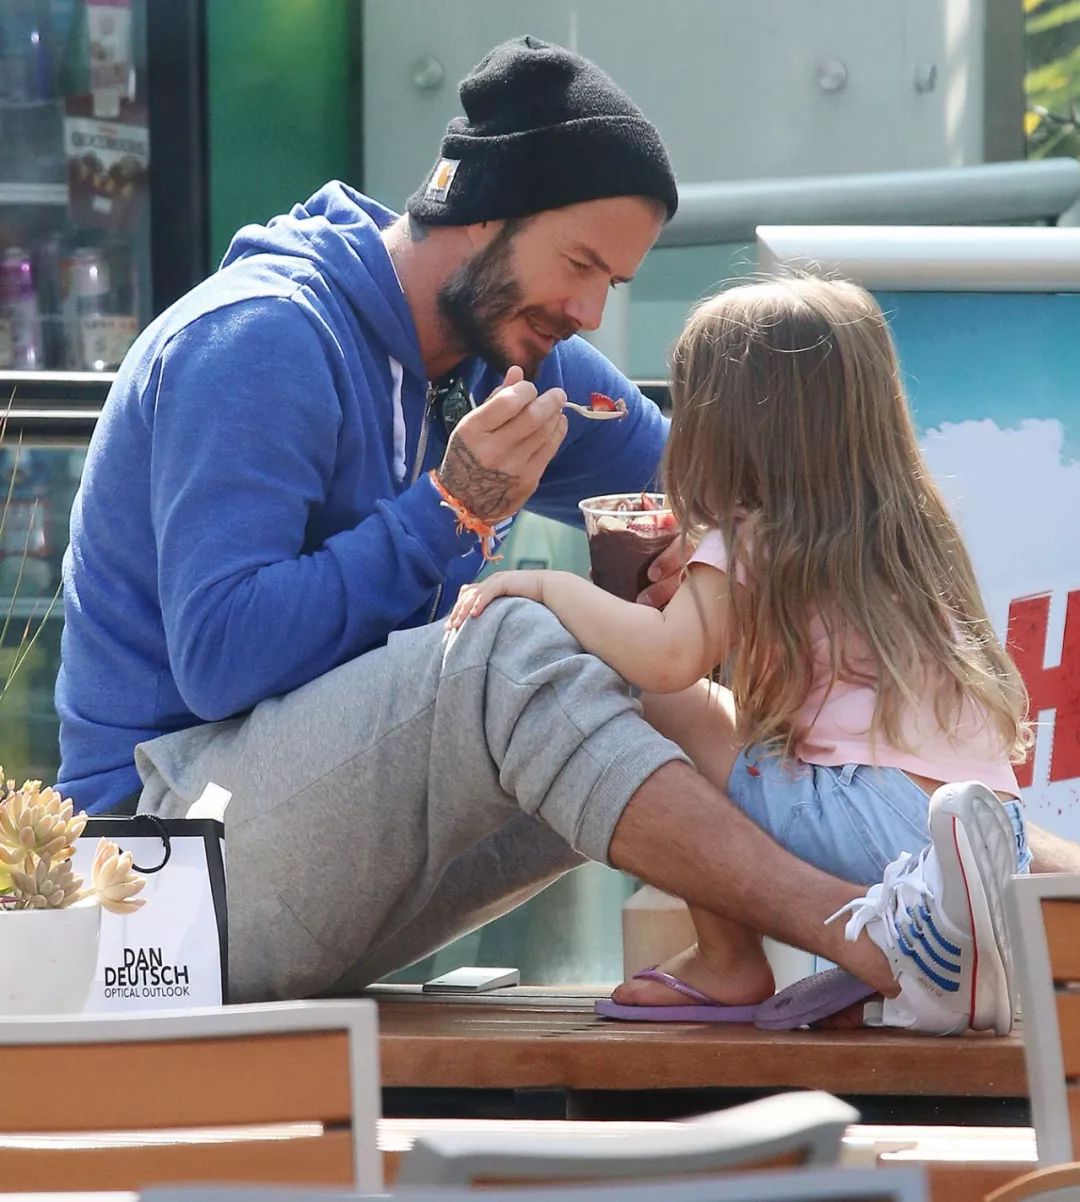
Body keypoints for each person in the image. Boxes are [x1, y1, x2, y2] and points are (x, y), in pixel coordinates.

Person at [56, 34, 1019, 1032]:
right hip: (157, 885)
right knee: (513, 647)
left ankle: (976, 908)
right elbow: (219, 660)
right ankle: (877, 939)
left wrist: (703, 573)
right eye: (580, 264)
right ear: (479, 212)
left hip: (313, 869)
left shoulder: (510, 352)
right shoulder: (261, 338)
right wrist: (451, 510)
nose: (592, 310)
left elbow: (724, 480)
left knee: (649, 674)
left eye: (617, 282)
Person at [448, 275, 1032, 1033]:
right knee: (727, 726)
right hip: (989, 836)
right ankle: (935, 938)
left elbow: (665, 661)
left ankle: (729, 962)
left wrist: (546, 587)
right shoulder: (907, 525)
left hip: (874, 823)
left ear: (727, 429)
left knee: (647, 700)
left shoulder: (750, 535)